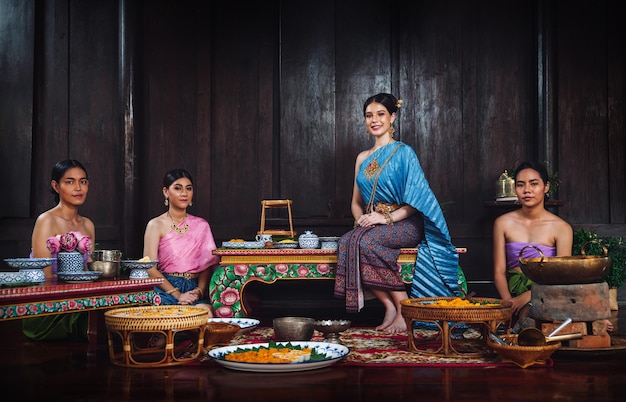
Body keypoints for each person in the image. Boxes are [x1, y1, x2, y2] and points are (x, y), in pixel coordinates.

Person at [333, 93, 462, 334]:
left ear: (392, 117)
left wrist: (385, 218)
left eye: (380, 114)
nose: (374, 120)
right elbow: (355, 202)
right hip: (373, 223)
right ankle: (389, 307)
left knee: (368, 243)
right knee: (348, 241)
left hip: (404, 222)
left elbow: (416, 201)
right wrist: (361, 219)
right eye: (369, 115)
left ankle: (404, 309)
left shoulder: (404, 153)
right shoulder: (362, 157)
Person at [23, 159, 95, 341]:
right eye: (70, 182)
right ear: (56, 186)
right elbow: (45, 277)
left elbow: (89, 271)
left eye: (83, 181)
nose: (78, 187)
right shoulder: (46, 220)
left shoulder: (87, 224)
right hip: (50, 307)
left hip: (81, 300)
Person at [493, 161, 573, 317]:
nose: (527, 190)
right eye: (520, 185)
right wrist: (509, 303)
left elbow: (561, 275)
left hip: (549, 292)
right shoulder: (502, 223)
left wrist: (529, 295)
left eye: (534, 184)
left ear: (546, 187)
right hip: (513, 293)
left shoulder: (562, 228)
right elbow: (499, 271)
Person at [142, 168, 219, 314]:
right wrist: (178, 294)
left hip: (195, 288)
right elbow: (150, 268)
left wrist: (198, 291)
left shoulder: (201, 225)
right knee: (171, 317)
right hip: (166, 287)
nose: (184, 193)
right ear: (166, 192)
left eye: (188, 188)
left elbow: (207, 265)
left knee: (205, 314)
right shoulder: (155, 225)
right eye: (178, 188)